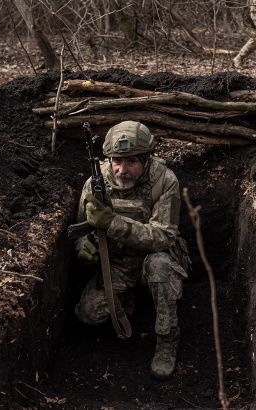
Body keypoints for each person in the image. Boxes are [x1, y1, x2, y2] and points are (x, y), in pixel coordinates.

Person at [73, 121, 190, 380]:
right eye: (117, 161)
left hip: (156, 257)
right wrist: (85, 247)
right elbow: (81, 228)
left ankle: (167, 339)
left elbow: (163, 236)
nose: (122, 170)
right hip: (118, 260)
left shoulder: (164, 181)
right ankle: (127, 298)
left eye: (131, 162)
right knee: (88, 313)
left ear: (146, 160)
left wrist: (113, 224)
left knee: (161, 268)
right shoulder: (96, 181)